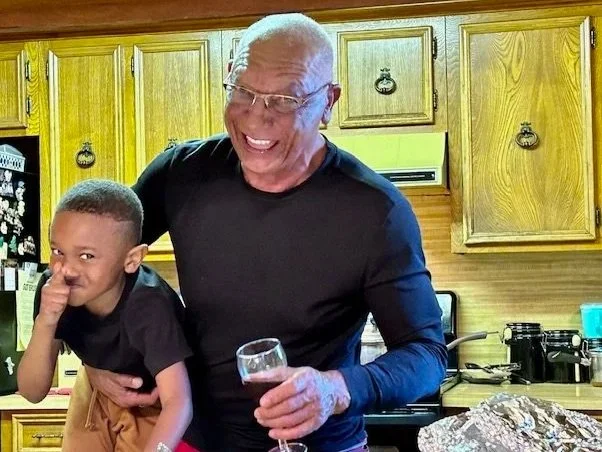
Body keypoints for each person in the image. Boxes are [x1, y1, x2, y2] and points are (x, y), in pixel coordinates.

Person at [82, 12, 447, 452]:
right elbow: (86, 260)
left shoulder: (377, 212)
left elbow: (426, 354)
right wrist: (92, 358)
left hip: (319, 446)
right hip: (194, 440)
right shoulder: (180, 174)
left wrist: (334, 388)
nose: (256, 117)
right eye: (243, 90)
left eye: (285, 99)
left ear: (328, 102)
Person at [17, 179, 194, 452]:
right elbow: (32, 391)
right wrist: (46, 321)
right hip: (94, 388)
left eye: (86, 256)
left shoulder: (148, 305)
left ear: (132, 260)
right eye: (57, 251)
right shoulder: (52, 289)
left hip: (152, 401)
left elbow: (179, 402)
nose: (66, 269)